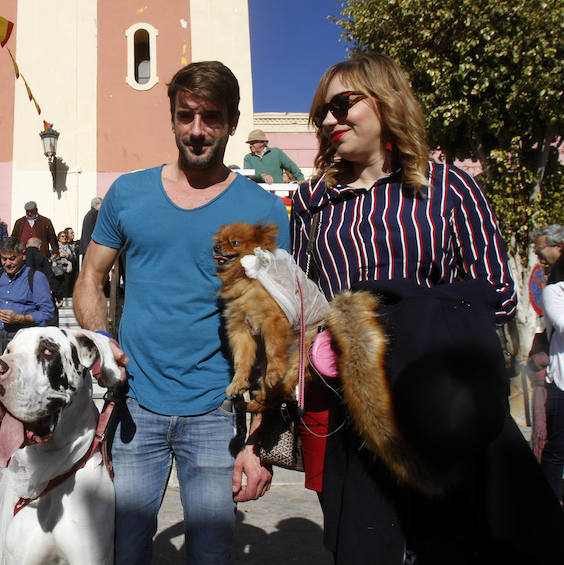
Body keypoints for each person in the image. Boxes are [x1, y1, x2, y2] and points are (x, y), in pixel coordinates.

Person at [291, 52, 562, 563]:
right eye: (322, 113)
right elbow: (312, 302)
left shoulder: (448, 187)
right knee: (363, 551)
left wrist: (401, 311)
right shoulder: (313, 204)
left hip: (444, 409)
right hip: (359, 418)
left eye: (343, 104)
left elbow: (499, 294)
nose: (329, 121)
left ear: (388, 101)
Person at [74, 60, 289, 564]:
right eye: (185, 115)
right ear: (171, 118)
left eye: (211, 117)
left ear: (233, 123)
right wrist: (101, 341)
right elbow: (89, 277)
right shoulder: (128, 193)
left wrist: (259, 440)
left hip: (216, 413)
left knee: (210, 556)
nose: (197, 131)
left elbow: (275, 328)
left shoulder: (264, 210)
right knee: (123, 552)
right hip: (135, 407)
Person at [0, 236, 55, 467]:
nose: (8, 263)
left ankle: (28, 448)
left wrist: (20, 318)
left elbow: (48, 312)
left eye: (12, 258)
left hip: (23, 343)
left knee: (23, 395)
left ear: (22, 256)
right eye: (4, 259)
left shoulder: (36, 278)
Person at [532, 224, 564, 501]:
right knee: (556, 450)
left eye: (540, 249)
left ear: (559, 247)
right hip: (562, 382)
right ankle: (549, 507)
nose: (537, 255)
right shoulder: (553, 290)